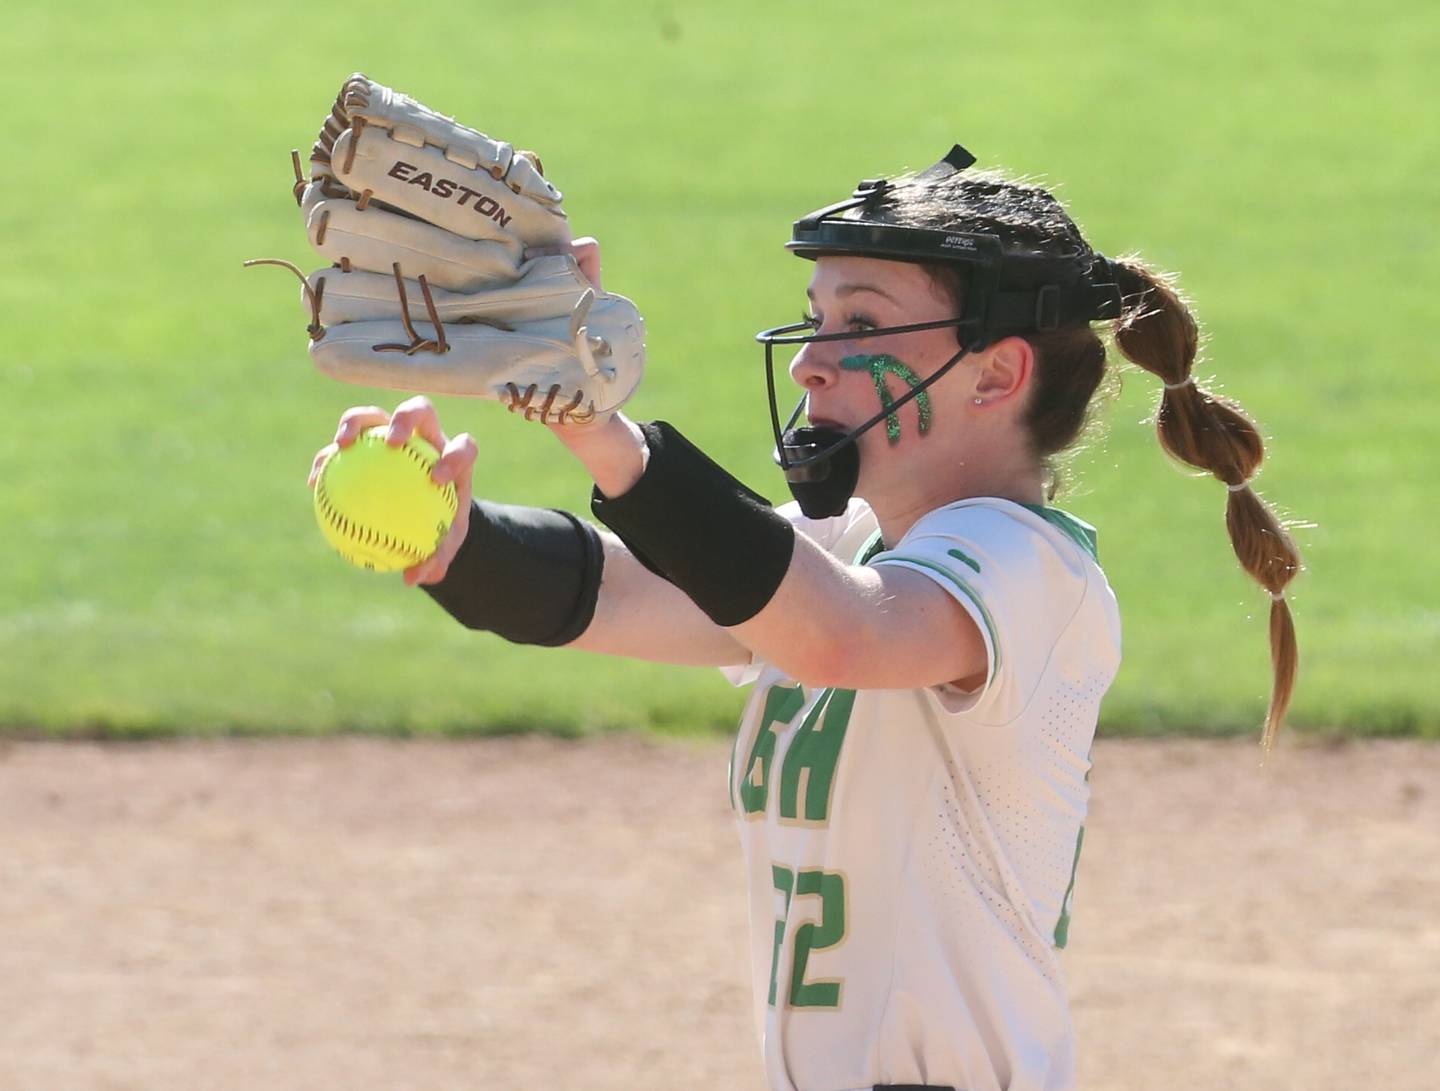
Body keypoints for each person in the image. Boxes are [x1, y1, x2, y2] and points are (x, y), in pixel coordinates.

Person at [310, 145, 1301, 1091]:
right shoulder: (845, 547)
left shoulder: (1026, 570)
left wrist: (604, 435)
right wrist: (455, 541)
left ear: (996, 374)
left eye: (861, 325)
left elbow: (842, 636)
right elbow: (615, 590)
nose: (810, 364)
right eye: (816, 319)